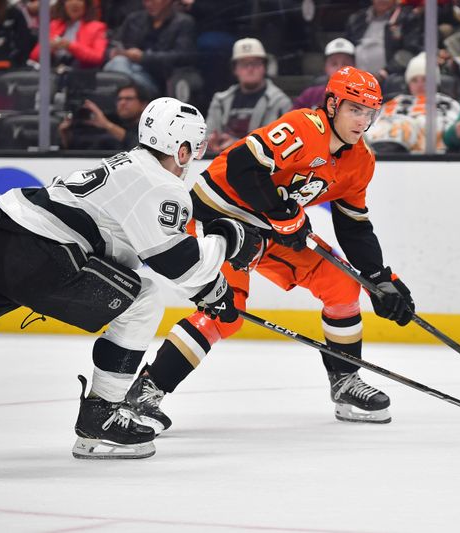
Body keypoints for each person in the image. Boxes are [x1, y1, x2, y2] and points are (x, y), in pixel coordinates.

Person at [0, 97, 264, 460]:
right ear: (184, 147)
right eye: (196, 146)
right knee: (145, 299)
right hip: (44, 253)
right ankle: (101, 419)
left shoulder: (128, 166)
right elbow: (178, 266)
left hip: (0, 234)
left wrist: (214, 291)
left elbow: (157, 255)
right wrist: (229, 239)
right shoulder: (160, 183)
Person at [122, 66, 416, 435]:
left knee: (343, 286)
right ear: (331, 104)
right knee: (224, 313)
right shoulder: (304, 127)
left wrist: (379, 278)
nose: (363, 121)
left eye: (369, 113)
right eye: (354, 109)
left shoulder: (360, 162)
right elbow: (244, 166)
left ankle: (345, 382)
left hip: (272, 228)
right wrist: (282, 213)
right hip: (220, 216)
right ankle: (147, 390)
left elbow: (354, 225)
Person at [205, 37, 292, 156]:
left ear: (264, 67)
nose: (250, 69)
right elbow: (206, 136)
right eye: (244, 64)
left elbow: (284, 146)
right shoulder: (220, 100)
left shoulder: (280, 102)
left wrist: (237, 145)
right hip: (220, 163)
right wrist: (210, 143)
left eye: (255, 63)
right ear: (235, 69)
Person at [366, 52, 460, 153]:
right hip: (379, 151)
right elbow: (375, 124)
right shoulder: (394, 101)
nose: (420, 85)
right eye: (414, 80)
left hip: (427, 156)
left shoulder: (448, 103)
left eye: (425, 79)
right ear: (408, 84)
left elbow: (451, 128)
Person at [103, 0, 196, 97]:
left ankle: (131, 96)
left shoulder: (183, 22)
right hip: (130, 68)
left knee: (118, 65)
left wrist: (144, 57)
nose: (148, 4)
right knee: (118, 62)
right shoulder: (134, 19)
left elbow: (182, 56)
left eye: (153, 1)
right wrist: (113, 52)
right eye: (146, 1)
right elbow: (113, 43)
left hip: (161, 77)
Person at [345, 0, 423, 80]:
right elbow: (346, 50)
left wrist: (385, 73)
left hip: (391, 80)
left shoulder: (408, 18)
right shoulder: (356, 19)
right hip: (356, 81)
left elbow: (410, 51)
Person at [59, 82, 151, 150]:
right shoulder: (109, 121)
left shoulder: (149, 127)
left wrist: (107, 125)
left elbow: (140, 147)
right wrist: (66, 137)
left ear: (143, 104)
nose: (122, 103)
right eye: (119, 99)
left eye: (128, 99)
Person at [29, 0, 107, 70]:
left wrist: (70, 46)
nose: (74, 3)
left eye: (80, 0)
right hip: (54, 72)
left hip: (81, 74)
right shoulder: (54, 25)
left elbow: (98, 57)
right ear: (63, 4)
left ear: (86, 5)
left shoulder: (97, 27)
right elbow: (34, 56)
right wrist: (49, 47)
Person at [293, 37, 356, 110]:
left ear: (355, 67)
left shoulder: (365, 97)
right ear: (325, 67)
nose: (340, 68)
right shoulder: (310, 96)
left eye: (345, 64)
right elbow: (289, 120)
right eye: (334, 64)